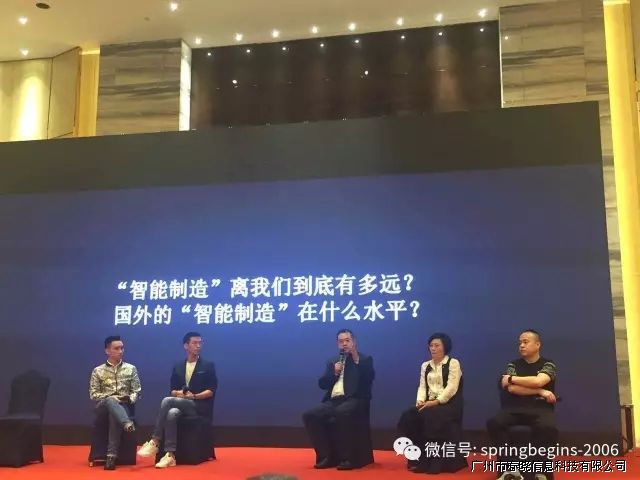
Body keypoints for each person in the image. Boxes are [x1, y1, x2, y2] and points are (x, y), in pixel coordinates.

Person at [137, 331, 218, 468]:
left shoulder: (208, 365)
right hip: (182, 403)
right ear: (186, 346)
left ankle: (155, 441)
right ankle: (170, 455)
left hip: (199, 406)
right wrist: (179, 393)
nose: (198, 346)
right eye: (195, 343)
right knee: (172, 413)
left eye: (200, 343)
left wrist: (193, 396)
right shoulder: (178, 366)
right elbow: (172, 390)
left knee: (167, 401)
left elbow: (211, 391)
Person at [487, 329, 558, 480]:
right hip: (515, 408)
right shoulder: (513, 364)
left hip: (540, 408)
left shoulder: (548, 364)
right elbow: (512, 388)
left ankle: (539, 471)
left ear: (537, 344)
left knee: (548, 427)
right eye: (520, 343)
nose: (521, 345)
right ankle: (510, 468)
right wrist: (541, 391)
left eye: (525, 342)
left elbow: (539, 381)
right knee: (494, 423)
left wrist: (511, 379)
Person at [302, 329, 375, 471]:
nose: (344, 344)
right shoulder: (333, 361)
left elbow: (368, 378)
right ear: (337, 344)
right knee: (310, 415)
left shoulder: (364, 359)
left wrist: (355, 358)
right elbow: (323, 384)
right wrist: (334, 372)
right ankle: (326, 457)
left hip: (355, 399)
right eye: (341, 342)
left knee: (342, 412)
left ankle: (347, 458)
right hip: (333, 401)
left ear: (354, 342)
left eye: (347, 340)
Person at [397, 333, 467, 474]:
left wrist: (436, 402)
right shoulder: (425, 365)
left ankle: (436, 460)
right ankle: (419, 457)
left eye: (437, 345)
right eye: (431, 346)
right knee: (408, 416)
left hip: (449, 404)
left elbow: (452, 388)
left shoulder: (453, 363)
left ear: (445, 347)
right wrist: (420, 401)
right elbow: (422, 387)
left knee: (432, 416)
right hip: (429, 403)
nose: (433, 348)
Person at [89, 335, 141, 470]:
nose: (120, 351)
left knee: (115, 414)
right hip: (103, 406)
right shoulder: (98, 371)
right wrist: (111, 398)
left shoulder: (131, 368)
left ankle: (111, 457)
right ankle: (126, 423)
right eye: (116, 348)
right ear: (107, 351)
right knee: (111, 401)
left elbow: (136, 391)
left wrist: (128, 398)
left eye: (122, 348)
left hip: (124, 405)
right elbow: (93, 394)